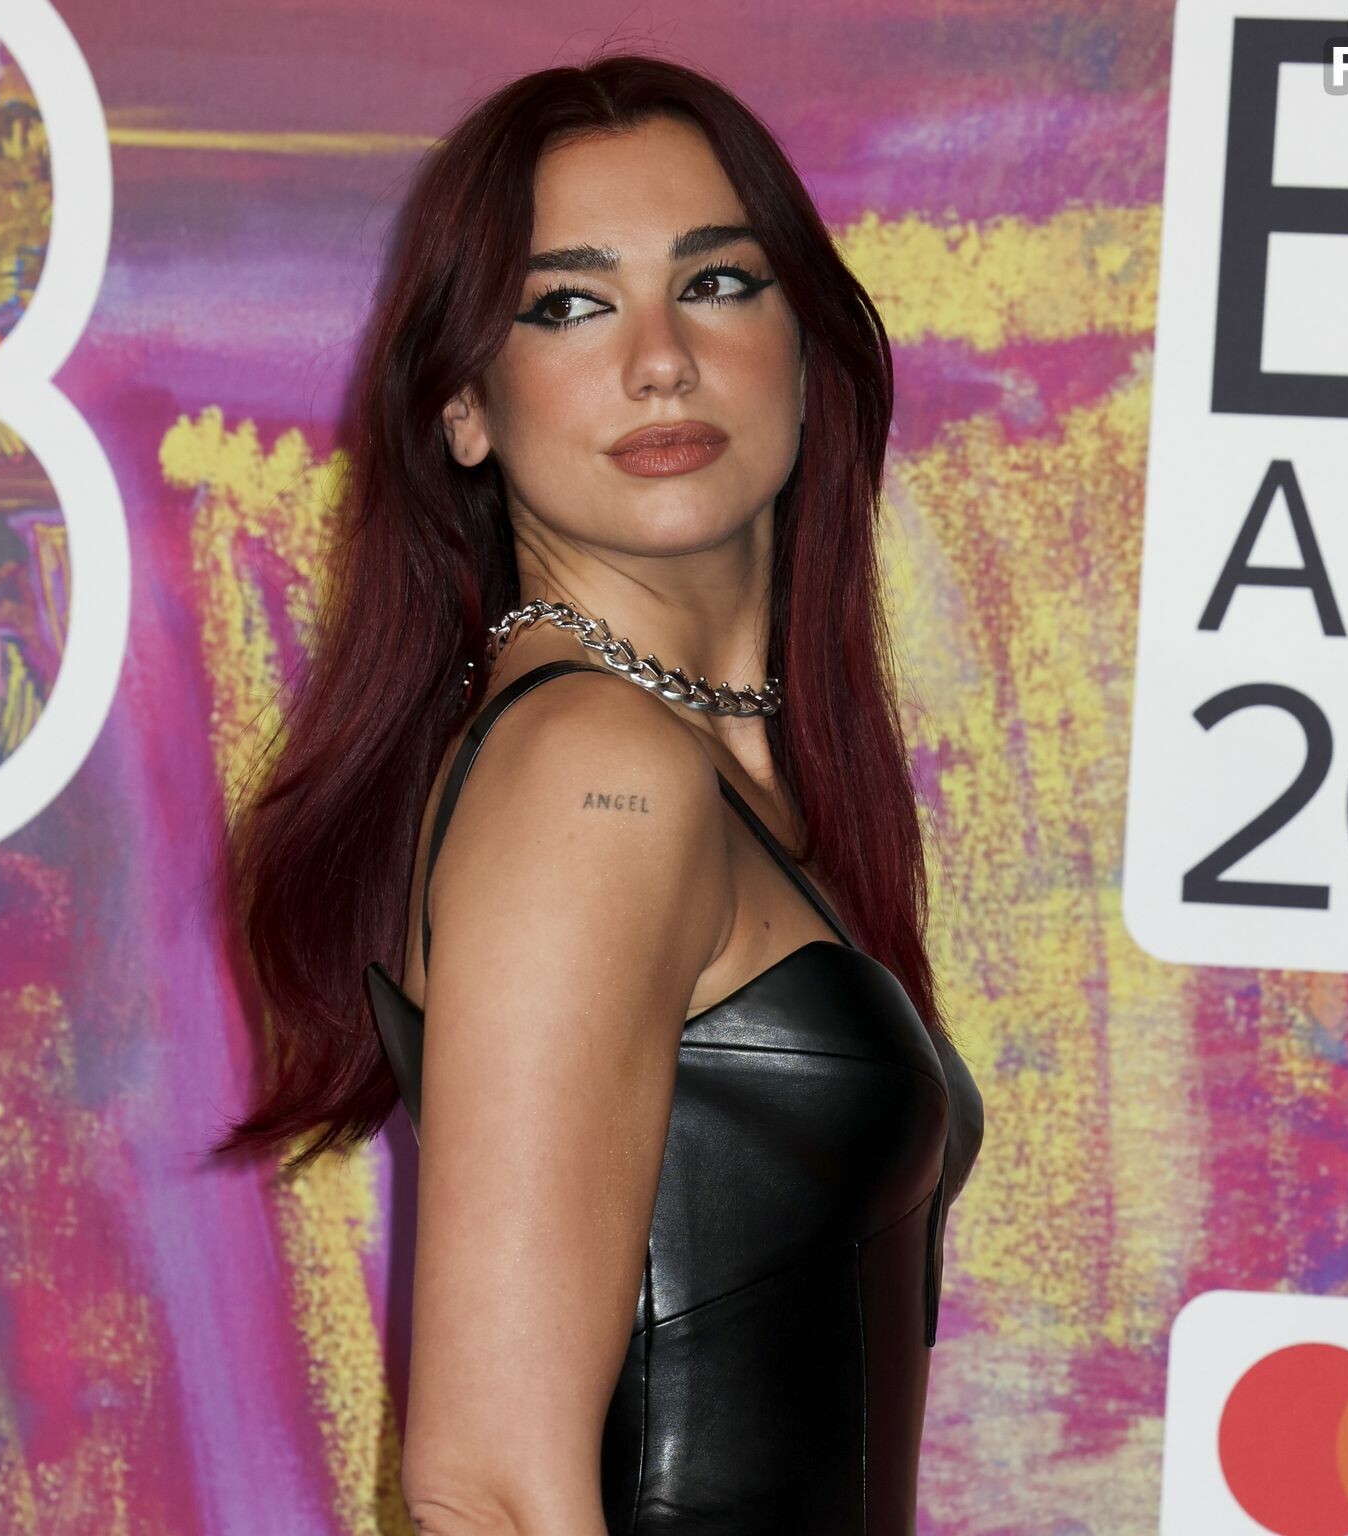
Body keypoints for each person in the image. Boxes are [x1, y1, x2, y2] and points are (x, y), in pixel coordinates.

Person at [215, 51, 984, 1536]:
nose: (661, 360)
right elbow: (489, 1489)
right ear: (464, 407)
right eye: (567, 305)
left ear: (808, 352)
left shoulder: (714, 768)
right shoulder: (594, 769)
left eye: (718, 283)